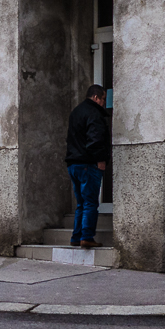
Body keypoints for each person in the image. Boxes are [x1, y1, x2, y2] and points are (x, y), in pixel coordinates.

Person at [65, 84, 110, 249]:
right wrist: (101, 159)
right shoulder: (94, 113)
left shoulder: (76, 112)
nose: (104, 103)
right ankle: (87, 237)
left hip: (73, 164)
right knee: (90, 202)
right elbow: (95, 139)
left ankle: (77, 236)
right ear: (96, 97)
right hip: (87, 164)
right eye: (103, 99)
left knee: (81, 203)